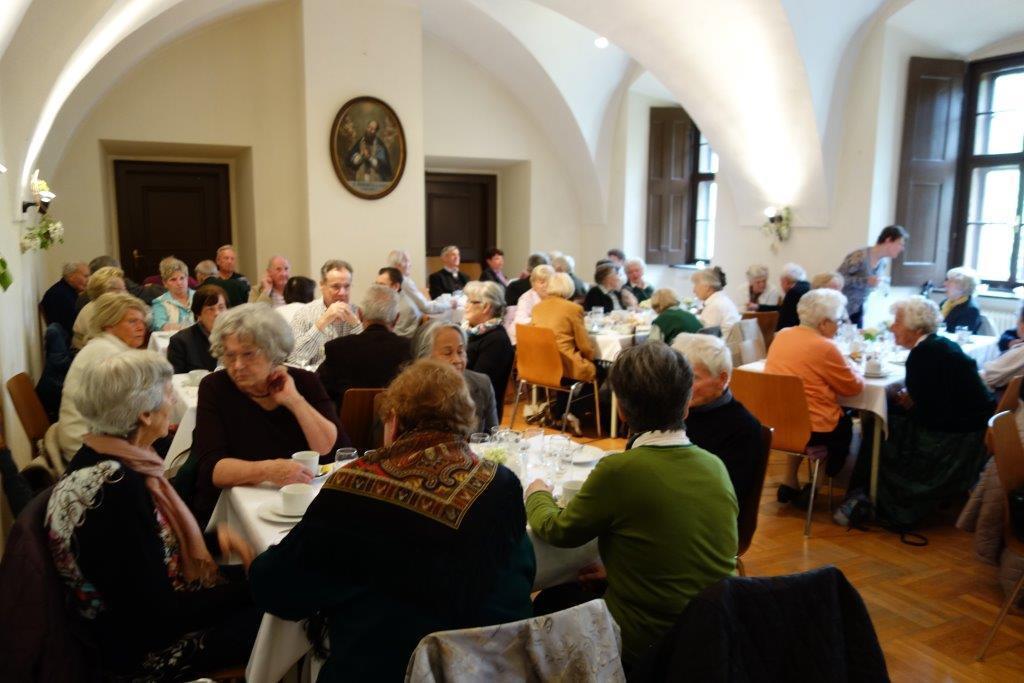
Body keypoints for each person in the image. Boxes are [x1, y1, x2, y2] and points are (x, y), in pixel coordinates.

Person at [249, 359, 534, 681]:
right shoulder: (501, 482)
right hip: (495, 669)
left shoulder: (354, 486)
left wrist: (254, 560)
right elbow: (524, 573)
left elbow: (279, 589)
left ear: (394, 420)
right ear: (464, 423)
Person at [44, 351, 260, 680]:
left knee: (272, 584)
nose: (172, 401)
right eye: (169, 393)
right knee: (288, 611)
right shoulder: (117, 488)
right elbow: (159, 615)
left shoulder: (102, 457)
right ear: (144, 414)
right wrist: (255, 589)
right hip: (137, 652)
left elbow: (137, 557)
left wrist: (212, 542)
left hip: (137, 616)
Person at [526, 343, 737, 666]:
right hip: (713, 636)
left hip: (646, 642)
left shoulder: (620, 470)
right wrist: (618, 572)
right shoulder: (715, 466)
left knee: (548, 603)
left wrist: (536, 493)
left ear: (622, 411)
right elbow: (683, 548)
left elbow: (558, 531)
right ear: (686, 407)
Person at [187, 303, 346, 527]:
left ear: (273, 351)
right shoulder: (214, 387)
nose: (237, 365)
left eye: (248, 354)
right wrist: (269, 470)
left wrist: (294, 400)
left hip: (299, 503)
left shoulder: (304, 381)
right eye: (229, 355)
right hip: (233, 510)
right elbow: (212, 469)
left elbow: (327, 449)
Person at [847, 296, 993, 527]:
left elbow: (928, 413)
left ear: (915, 329)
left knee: (878, 421)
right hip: (973, 426)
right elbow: (938, 396)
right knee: (888, 409)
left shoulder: (923, 354)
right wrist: (910, 401)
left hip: (954, 436)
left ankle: (871, 493)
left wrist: (908, 403)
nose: (892, 327)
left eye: (897, 322)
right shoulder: (940, 344)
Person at [764, 289, 864, 505]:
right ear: (824, 323)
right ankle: (815, 485)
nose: (839, 326)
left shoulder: (782, 336)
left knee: (798, 419)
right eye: (838, 321)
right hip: (816, 428)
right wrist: (853, 366)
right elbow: (853, 388)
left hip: (780, 422)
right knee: (842, 424)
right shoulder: (825, 347)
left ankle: (789, 481)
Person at [48, 293, 150, 465]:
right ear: (109, 325)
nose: (141, 328)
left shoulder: (103, 346)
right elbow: (127, 414)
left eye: (143, 322)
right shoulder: (108, 354)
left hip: (83, 436)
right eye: (132, 321)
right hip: (85, 447)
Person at [672, 333, 763, 505]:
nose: (682, 385)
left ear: (722, 379)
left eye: (693, 377)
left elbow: (727, 494)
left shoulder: (743, 428)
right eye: (679, 375)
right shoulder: (674, 411)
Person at [317, 284, 411, 406]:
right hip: (393, 416)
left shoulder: (336, 349)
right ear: (397, 318)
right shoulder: (409, 348)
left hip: (347, 418)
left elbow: (320, 393)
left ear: (360, 315)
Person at [412, 322, 498, 433]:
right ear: (425, 358)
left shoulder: (482, 383)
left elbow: (493, 435)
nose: (457, 360)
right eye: (447, 353)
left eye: (460, 351)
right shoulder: (412, 392)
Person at [288, 260, 363, 367]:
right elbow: (293, 359)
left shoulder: (359, 313)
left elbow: (370, 357)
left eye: (347, 286)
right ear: (322, 285)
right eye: (336, 286)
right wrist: (322, 322)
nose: (342, 293)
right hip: (315, 376)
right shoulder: (304, 314)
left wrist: (356, 324)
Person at [838, 224, 908, 327]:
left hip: (859, 309)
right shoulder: (859, 256)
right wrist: (865, 281)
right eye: (900, 244)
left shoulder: (883, 262)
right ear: (888, 240)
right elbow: (838, 279)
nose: (902, 248)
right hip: (842, 309)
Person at [531, 273, 597, 383]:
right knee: (600, 368)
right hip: (566, 364)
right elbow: (584, 345)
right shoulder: (573, 308)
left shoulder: (537, 308)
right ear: (569, 287)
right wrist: (591, 358)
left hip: (541, 363)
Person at [463, 281, 515, 417]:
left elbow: (477, 387)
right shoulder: (469, 332)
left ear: (486, 307)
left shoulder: (497, 340)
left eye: (470, 301)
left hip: (479, 414)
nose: (465, 306)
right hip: (463, 403)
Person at [167, 285, 227, 374]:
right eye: (210, 309)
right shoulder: (180, 341)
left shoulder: (236, 337)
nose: (217, 313)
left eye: (221, 307)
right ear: (199, 314)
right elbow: (176, 379)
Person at [387, 249, 456, 316]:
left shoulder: (390, 279)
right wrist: (449, 305)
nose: (410, 265)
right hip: (411, 323)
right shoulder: (404, 282)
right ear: (398, 265)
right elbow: (426, 307)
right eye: (407, 261)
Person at [72, 266, 127, 349]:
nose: (126, 293)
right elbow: (104, 345)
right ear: (108, 292)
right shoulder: (97, 312)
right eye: (122, 289)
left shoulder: (106, 306)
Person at [41, 262, 89, 339]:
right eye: (85, 276)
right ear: (71, 277)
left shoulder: (64, 290)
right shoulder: (60, 295)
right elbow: (75, 325)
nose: (88, 280)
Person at [692, 266, 740, 338]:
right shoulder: (722, 300)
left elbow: (705, 337)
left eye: (696, 285)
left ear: (707, 287)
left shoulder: (714, 305)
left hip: (720, 344)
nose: (694, 290)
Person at [150, 258, 194, 331]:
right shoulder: (160, 302)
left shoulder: (200, 296)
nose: (179, 283)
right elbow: (161, 326)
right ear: (165, 283)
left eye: (182, 278)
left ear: (187, 279)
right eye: (173, 279)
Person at [376, 266, 421, 337]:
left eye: (381, 285)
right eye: (376, 284)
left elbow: (395, 338)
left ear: (396, 287)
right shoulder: (386, 302)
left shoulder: (406, 308)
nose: (376, 289)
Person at [512, 264, 555, 334]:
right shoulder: (526, 298)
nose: (546, 285)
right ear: (533, 284)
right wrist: (543, 321)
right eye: (542, 282)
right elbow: (519, 320)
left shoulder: (556, 295)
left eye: (549, 282)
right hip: (527, 334)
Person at [940, 266, 983, 334]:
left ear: (963, 287)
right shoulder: (945, 303)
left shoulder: (971, 310)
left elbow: (960, 336)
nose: (944, 284)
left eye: (950, 281)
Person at [774, 262, 811, 330]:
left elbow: (784, 320)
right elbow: (781, 308)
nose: (781, 285)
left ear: (786, 281)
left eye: (781, 282)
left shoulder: (793, 292)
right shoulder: (808, 286)